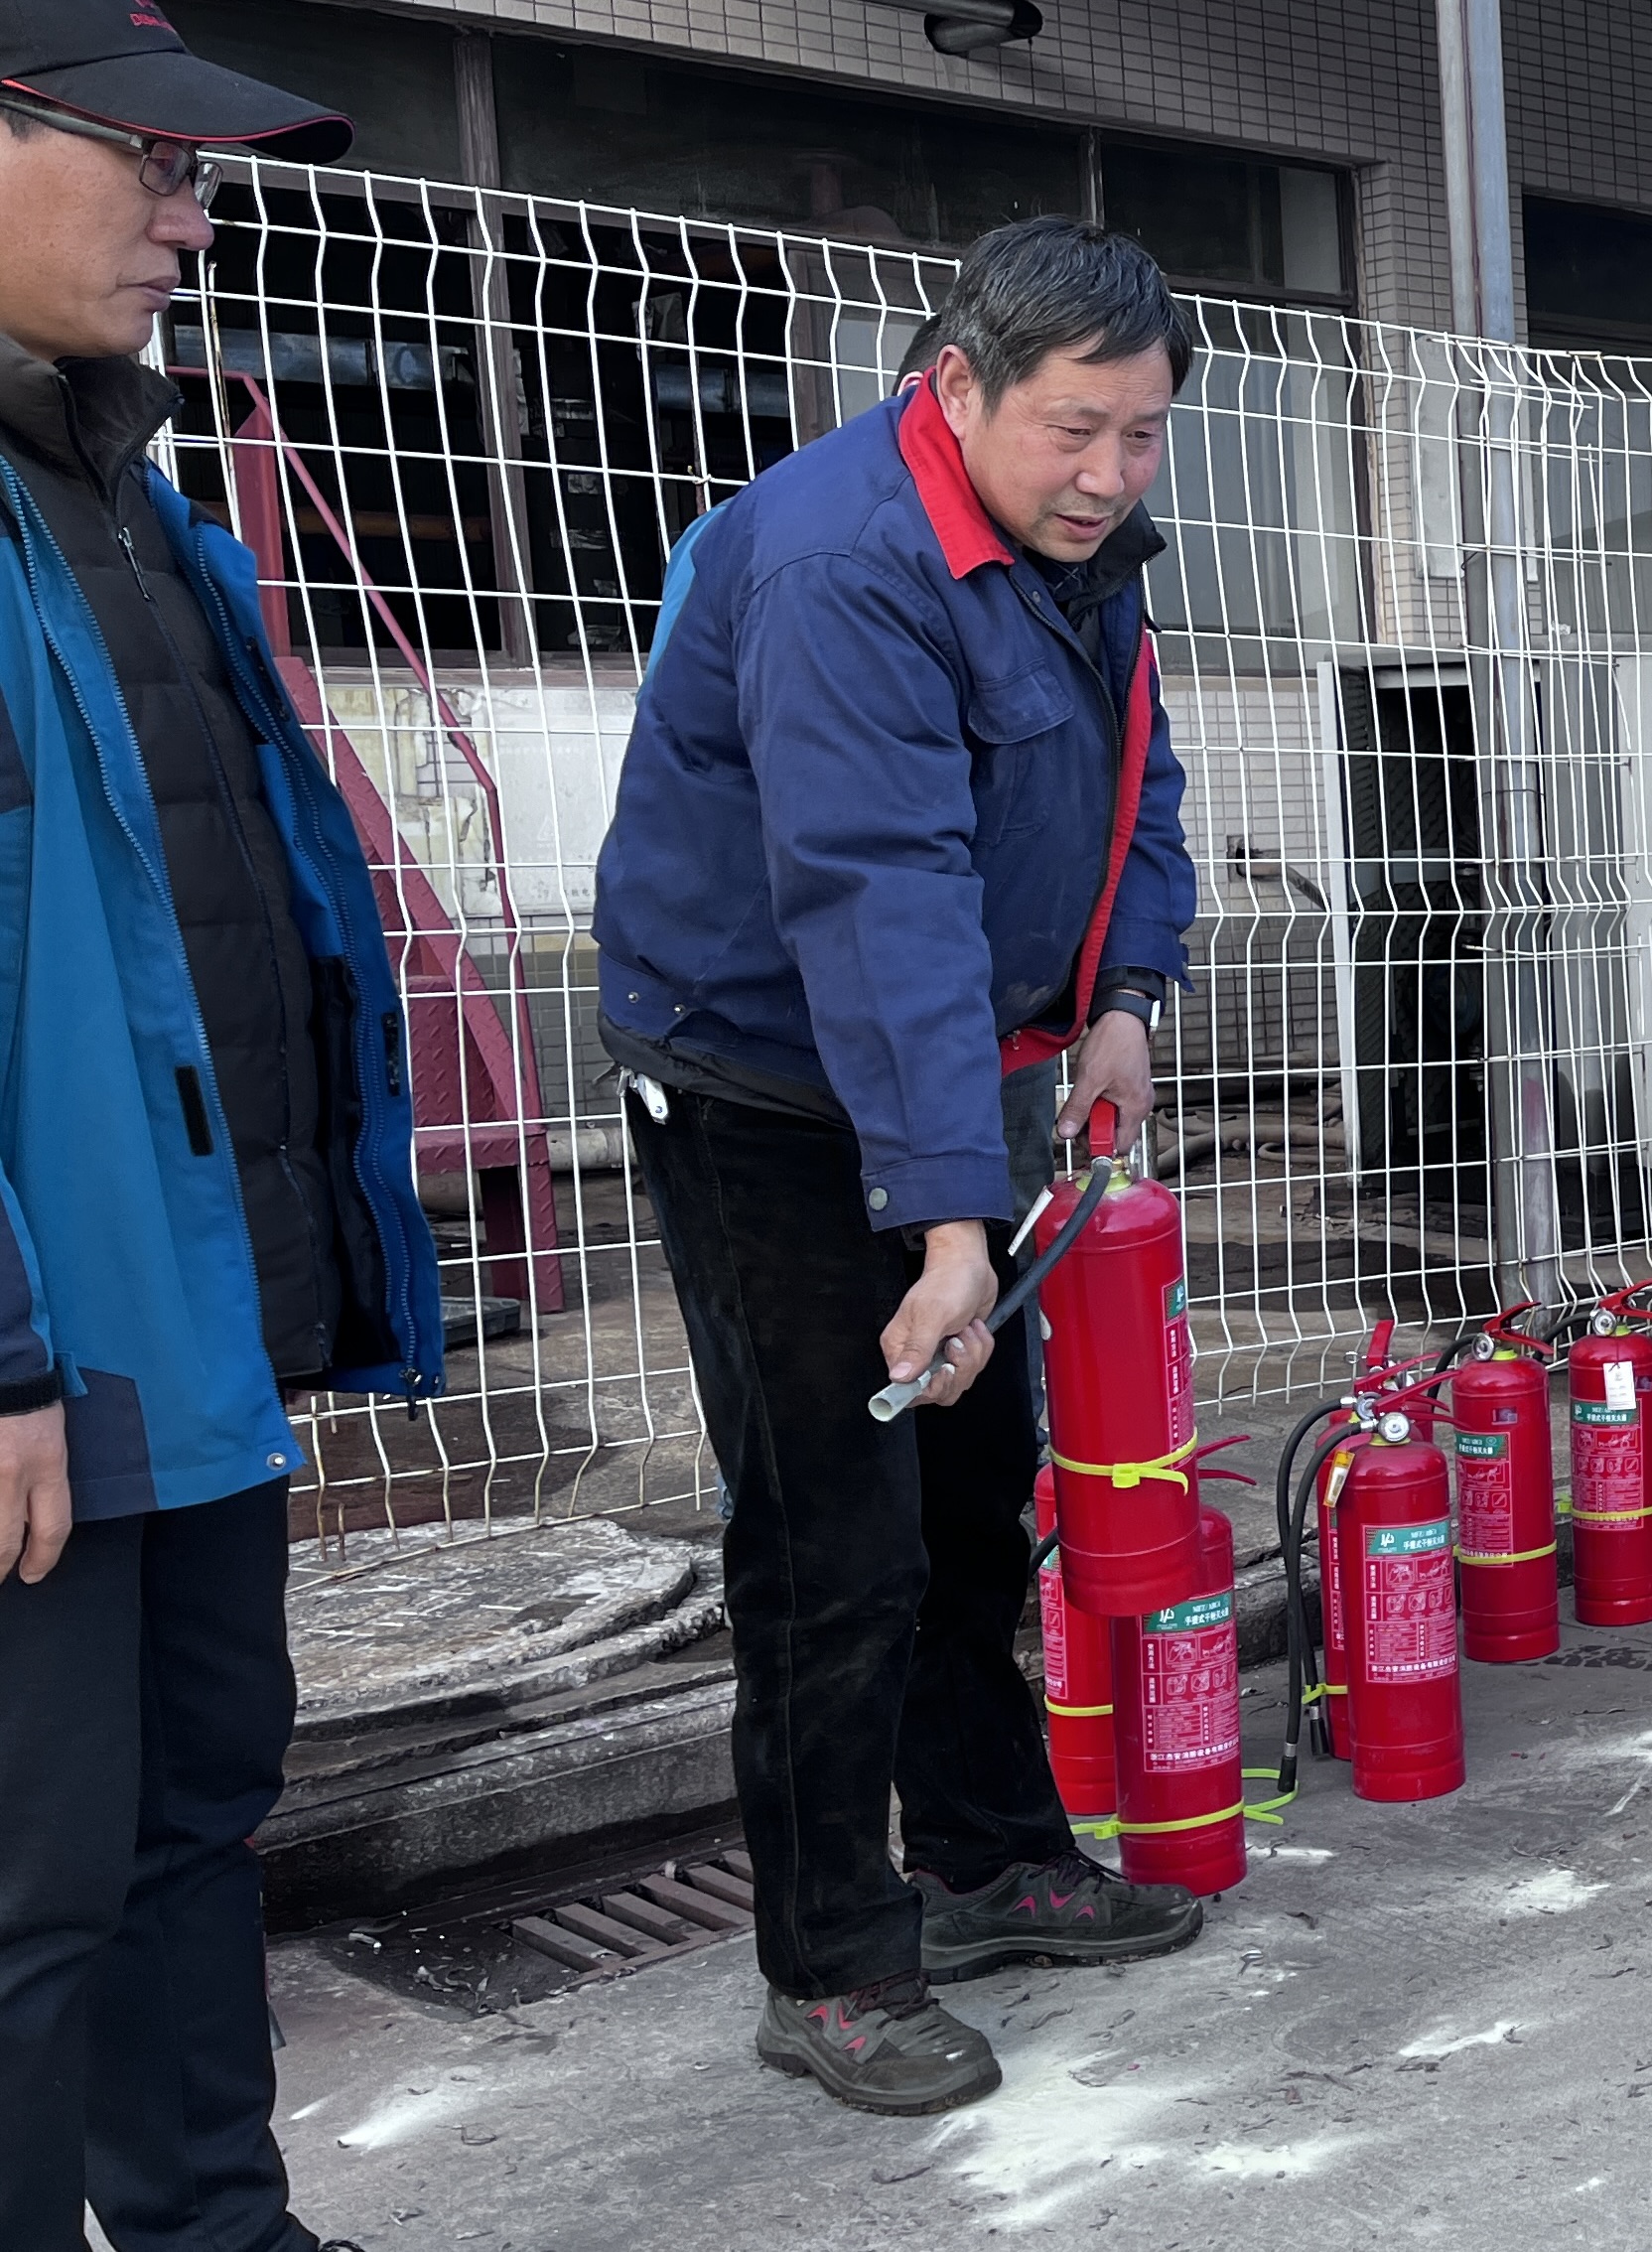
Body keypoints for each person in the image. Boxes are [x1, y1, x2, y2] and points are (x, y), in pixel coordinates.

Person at [592, 217, 1208, 2115]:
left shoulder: (1072, 556)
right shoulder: (843, 562)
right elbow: (880, 900)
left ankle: (987, 1853)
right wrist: (949, 1224)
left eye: (1142, 434)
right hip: (768, 1095)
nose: (1109, 473)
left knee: (969, 1493)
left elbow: (1132, 783)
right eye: (1073, 429)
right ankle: (832, 1961)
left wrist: (1122, 993)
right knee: (831, 1540)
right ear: (956, 389)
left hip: (956, 1069)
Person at [0, 18, 443, 2245]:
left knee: (192, 1814)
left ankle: (212, 2226)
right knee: (29, 1885)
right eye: (150, 164)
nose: (192, 219)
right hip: (32, 1364)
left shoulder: (133, 501)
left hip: (183, 1328)